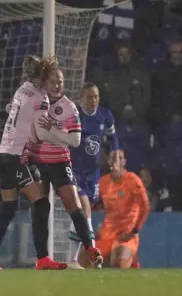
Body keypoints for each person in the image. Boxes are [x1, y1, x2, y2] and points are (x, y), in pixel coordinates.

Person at [0, 55, 67, 271]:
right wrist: (57, 132)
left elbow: (12, 109)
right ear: (43, 76)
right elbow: (38, 134)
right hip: (15, 157)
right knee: (41, 203)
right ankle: (43, 258)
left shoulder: (22, 89)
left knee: (8, 209)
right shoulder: (41, 98)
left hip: (2, 152)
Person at [28, 70, 104, 268]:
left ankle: (90, 250)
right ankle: (42, 258)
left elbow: (75, 140)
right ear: (45, 84)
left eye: (59, 82)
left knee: (75, 206)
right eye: (53, 82)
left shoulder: (69, 108)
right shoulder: (36, 104)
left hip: (61, 162)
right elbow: (36, 135)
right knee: (40, 209)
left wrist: (51, 131)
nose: (56, 86)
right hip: (38, 162)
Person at [67, 82, 120, 269]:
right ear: (82, 98)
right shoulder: (74, 116)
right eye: (89, 97)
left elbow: (113, 138)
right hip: (75, 172)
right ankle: (94, 254)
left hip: (93, 173)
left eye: (96, 96)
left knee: (80, 217)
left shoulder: (105, 116)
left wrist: (115, 155)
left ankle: (72, 260)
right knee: (85, 212)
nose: (94, 100)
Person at [79, 150, 149, 268]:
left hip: (125, 235)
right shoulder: (103, 182)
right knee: (83, 259)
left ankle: (130, 259)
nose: (116, 160)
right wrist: (90, 228)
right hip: (107, 234)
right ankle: (111, 261)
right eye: (113, 157)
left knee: (118, 263)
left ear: (124, 162)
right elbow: (92, 204)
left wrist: (134, 231)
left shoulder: (132, 180)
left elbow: (145, 206)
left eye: (120, 158)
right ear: (109, 161)